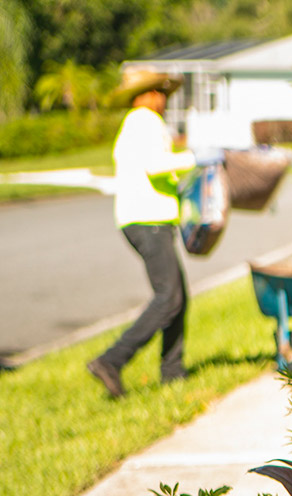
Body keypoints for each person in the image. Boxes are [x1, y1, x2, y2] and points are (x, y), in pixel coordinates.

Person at [86, 69, 196, 399]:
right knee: (168, 297)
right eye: (156, 91)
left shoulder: (137, 124)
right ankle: (111, 360)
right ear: (141, 96)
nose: (162, 98)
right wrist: (193, 158)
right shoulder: (144, 121)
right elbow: (154, 165)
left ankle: (173, 370)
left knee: (178, 296)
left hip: (147, 219)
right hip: (148, 221)